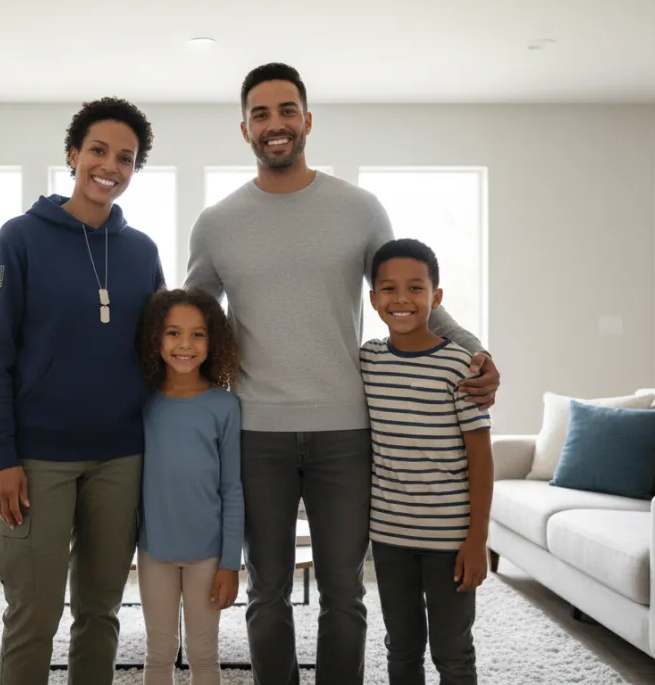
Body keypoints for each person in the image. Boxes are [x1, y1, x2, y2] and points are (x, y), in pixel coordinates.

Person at [184, 62, 501, 685]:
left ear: (307, 119)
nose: (275, 124)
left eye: (286, 111)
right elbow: (192, 323)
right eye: (261, 114)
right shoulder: (217, 224)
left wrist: (473, 350)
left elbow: (405, 291)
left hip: (346, 431)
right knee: (266, 590)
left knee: (344, 592)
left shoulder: (358, 209)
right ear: (244, 128)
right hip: (258, 432)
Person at [0, 96, 165, 685]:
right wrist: (1, 456)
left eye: (126, 158)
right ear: (73, 154)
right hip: (38, 458)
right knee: (33, 613)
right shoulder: (19, 238)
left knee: (101, 611)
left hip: (122, 456)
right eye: (99, 151)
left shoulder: (142, 252)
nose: (110, 166)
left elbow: (160, 353)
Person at [362, 238, 493, 685]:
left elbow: (481, 460)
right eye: (389, 289)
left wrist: (477, 540)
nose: (401, 299)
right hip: (389, 535)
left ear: (436, 298)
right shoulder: (368, 361)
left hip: (450, 540)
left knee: (453, 650)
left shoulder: (460, 368)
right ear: (374, 299)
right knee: (401, 648)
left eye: (416, 289)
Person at [135, 288, 244, 685]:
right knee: (158, 652)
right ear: (155, 339)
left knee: (204, 653)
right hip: (154, 552)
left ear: (213, 340)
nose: (185, 344)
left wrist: (231, 563)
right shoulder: (143, 404)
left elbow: (232, 489)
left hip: (208, 557)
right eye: (173, 333)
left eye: (198, 334)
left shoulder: (225, 406)